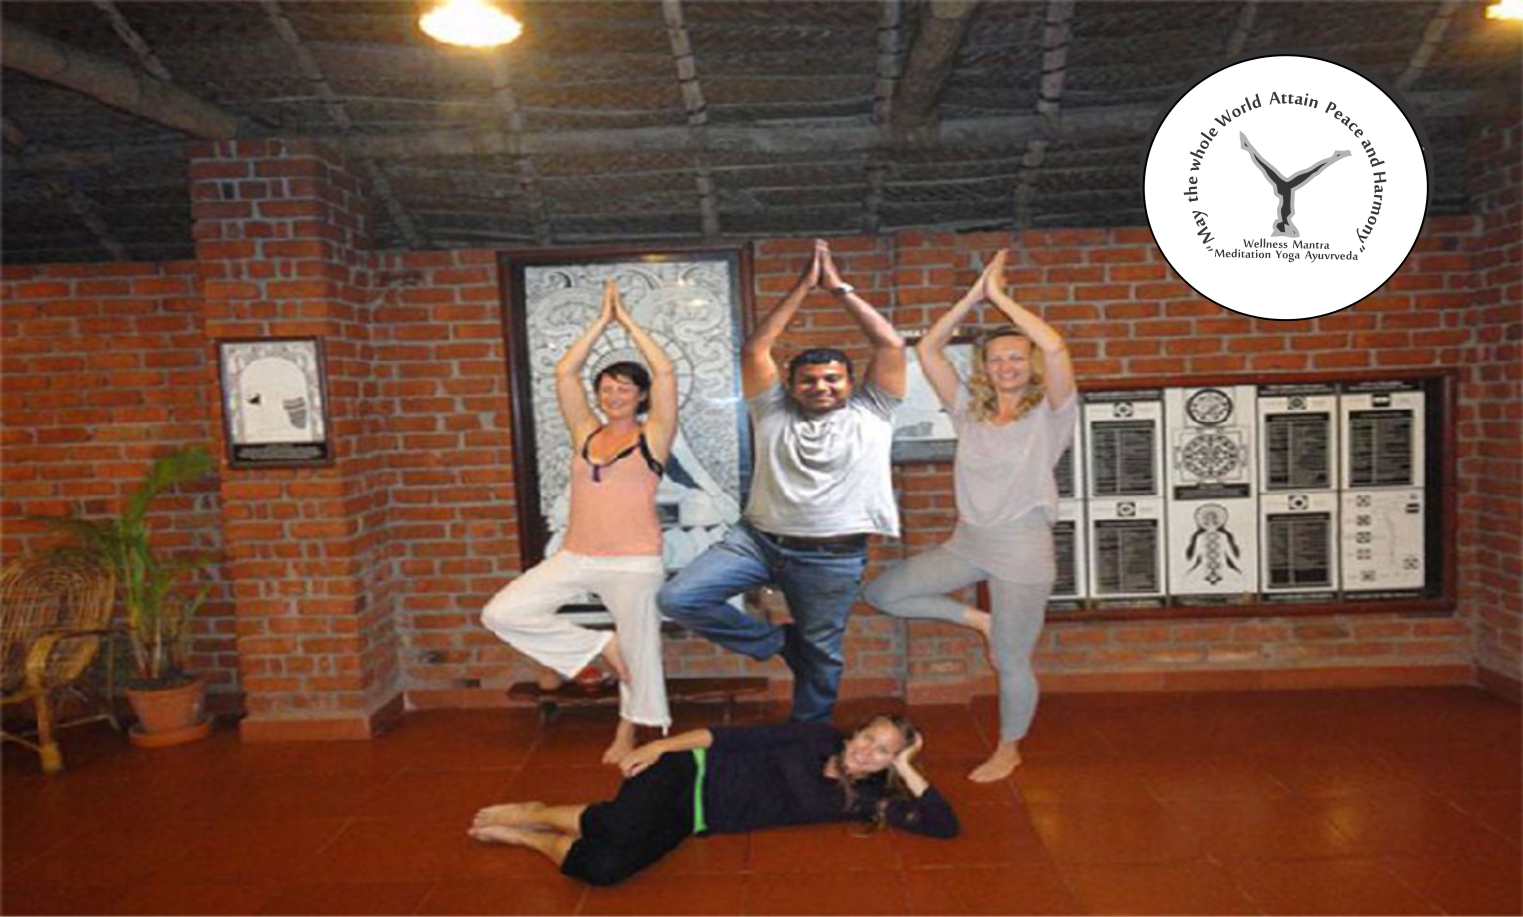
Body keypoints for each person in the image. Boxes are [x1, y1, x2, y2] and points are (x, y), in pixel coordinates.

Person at [656, 239, 907, 723]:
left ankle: (808, 737)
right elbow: (756, 348)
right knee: (679, 598)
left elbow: (891, 345)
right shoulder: (771, 410)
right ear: (791, 386)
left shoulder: (874, 411)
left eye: (832, 378)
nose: (821, 386)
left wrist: (839, 288)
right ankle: (778, 642)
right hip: (756, 542)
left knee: (822, 656)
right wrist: (803, 287)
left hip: (831, 557)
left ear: (850, 383)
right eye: (808, 379)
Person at [863, 250, 1077, 783]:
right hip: (969, 542)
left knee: (1010, 660)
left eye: (1016, 358)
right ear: (984, 367)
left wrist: (1000, 297)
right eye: (996, 359)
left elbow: (1054, 346)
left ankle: (1009, 747)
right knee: (885, 593)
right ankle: (981, 621)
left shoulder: (1052, 413)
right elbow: (929, 348)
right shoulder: (969, 410)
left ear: (1029, 365)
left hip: (1022, 548)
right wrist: (973, 296)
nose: (1006, 366)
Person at [481, 280, 678, 764]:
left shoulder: (653, 436)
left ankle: (632, 734)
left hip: (634, 562)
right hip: (577, 555)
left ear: (641, 396)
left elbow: (665, 370)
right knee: (502, 612)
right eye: (606, 388)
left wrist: (627, 322)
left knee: (641, 653)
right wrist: (600, 322)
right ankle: (598, 646)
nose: (613, 395)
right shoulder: (585, 432)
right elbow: (565, 372)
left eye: (624, 388)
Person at [468, 714, 957, 885]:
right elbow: (728, 737)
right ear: (855, 733)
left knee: (603, 869)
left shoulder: (866, 800)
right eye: (868, 738)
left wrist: (907, 766)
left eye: (884, 752)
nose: (868, 751)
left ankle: (528, 838)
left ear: (890, 763)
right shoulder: (814, 736)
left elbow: (944, 825)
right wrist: (662, 746)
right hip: (688, 768)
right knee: (619, 826)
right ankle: (537, 812)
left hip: (696, 816)